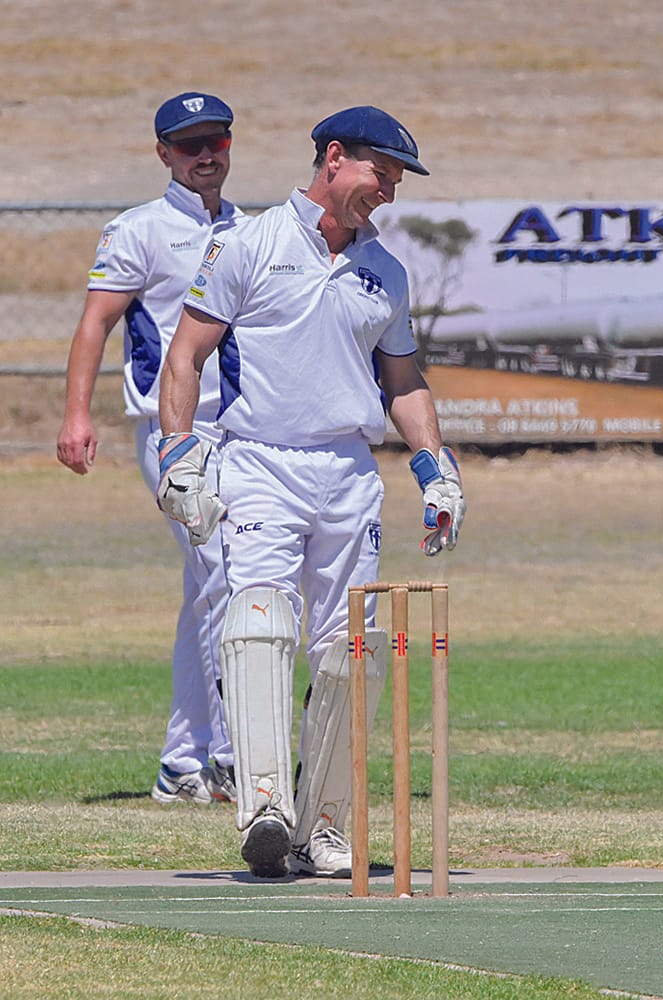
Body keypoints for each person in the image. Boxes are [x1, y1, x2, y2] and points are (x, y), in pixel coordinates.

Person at [156, 106, 466, 880]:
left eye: (395, 179)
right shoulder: (248, 244)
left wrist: (436, 470)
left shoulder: (384, 271)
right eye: (380, 172)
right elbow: (186, 355)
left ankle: (323, 824)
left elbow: (403, 380)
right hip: (259, 460)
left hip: (348, 472)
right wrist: (179, 454)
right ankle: (263, 804)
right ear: (334, 157)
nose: (388, 190)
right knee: (259, 618)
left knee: (348, 651)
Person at [56, 92, 244, 806]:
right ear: (163, 152)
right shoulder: (137, 229)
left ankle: (182, 763)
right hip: (174, 434)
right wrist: (77, 415)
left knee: (209, 589)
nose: (205, 155)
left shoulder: (251, 230)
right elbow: (94, 324)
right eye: (188, 144)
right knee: (225, 575)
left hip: (244, 431)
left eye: (215, 142)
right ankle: (230, 755)